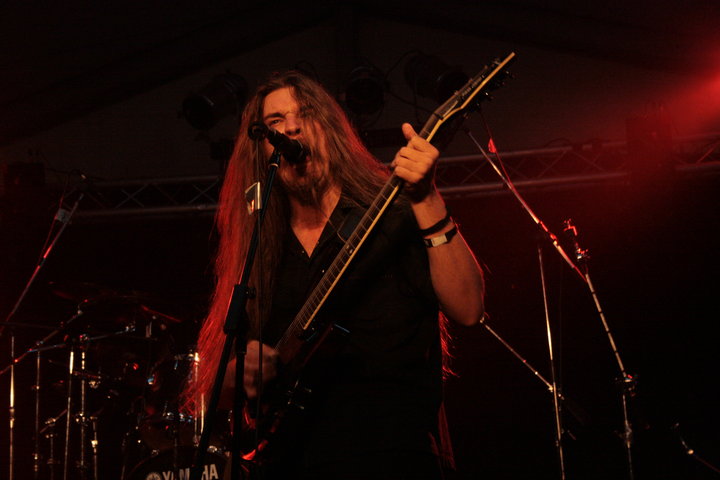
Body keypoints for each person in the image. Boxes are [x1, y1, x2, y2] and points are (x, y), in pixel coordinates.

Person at [189, 70, 485, 480]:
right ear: (262, 148)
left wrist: (427, 198)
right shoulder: (261, 246)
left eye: (305, 114)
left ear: (331, 129)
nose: (291, 127)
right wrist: (244, 370)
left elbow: (469, 308)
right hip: (289, 461)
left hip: (394, 453)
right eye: (275, 121)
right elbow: (217, 391)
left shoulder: (392, 214)